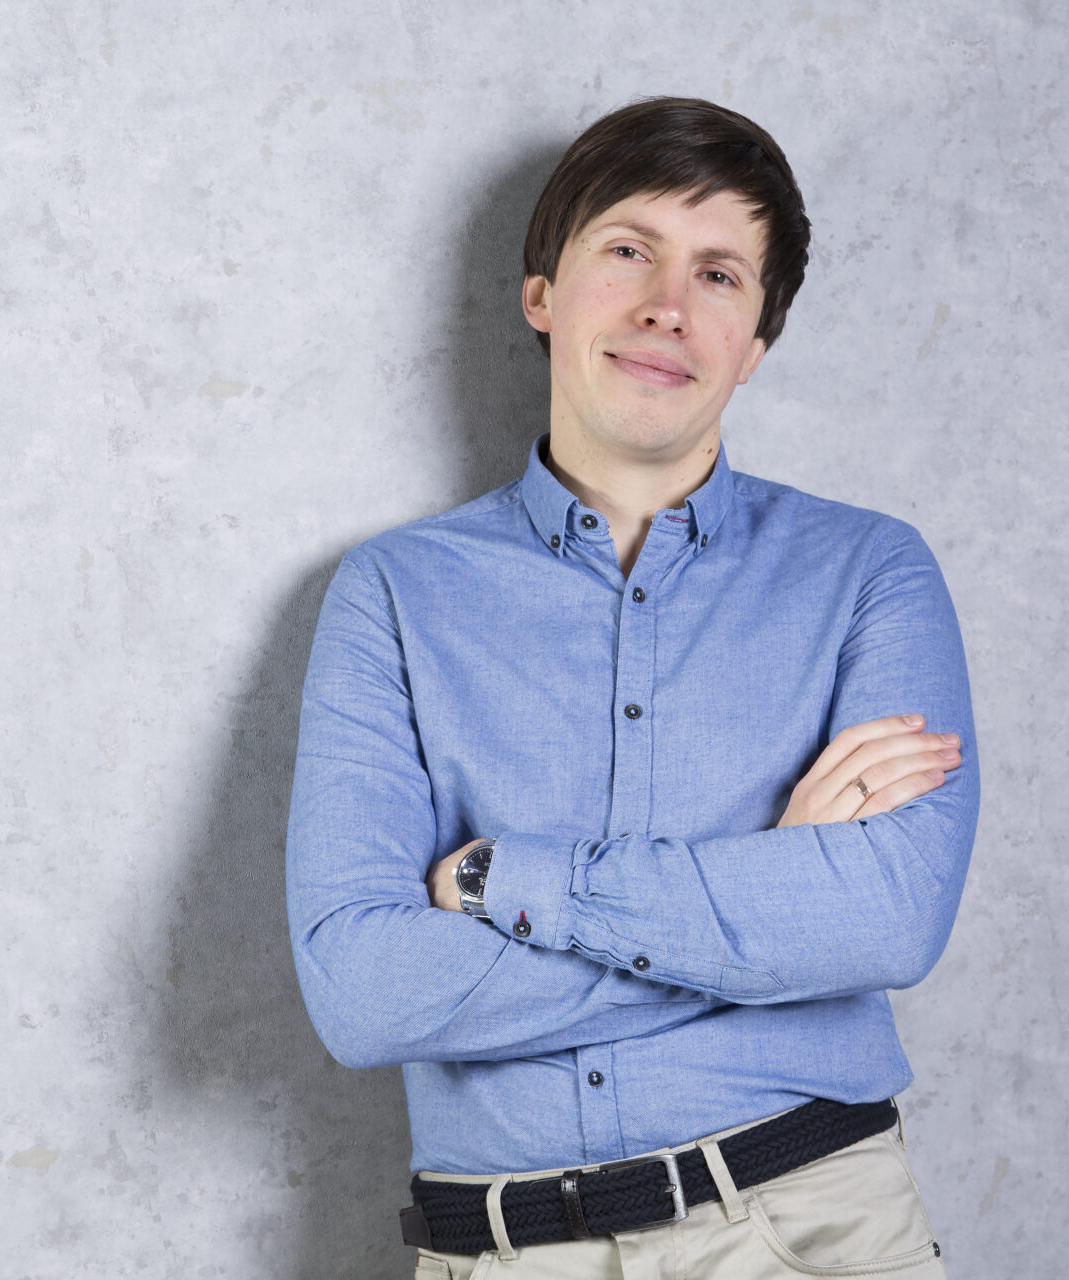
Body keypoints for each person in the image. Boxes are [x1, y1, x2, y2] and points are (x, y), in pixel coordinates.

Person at [284, 95, 979, 1279]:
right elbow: (364, 993)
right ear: (541, 294)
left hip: (807, 1232)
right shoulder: (393, 594)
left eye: (719, 274)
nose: (668, 304)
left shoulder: (871, 572)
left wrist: (503, 881)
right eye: (628, 249)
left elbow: (887, 919)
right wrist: (763, 904)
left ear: (753, 345)